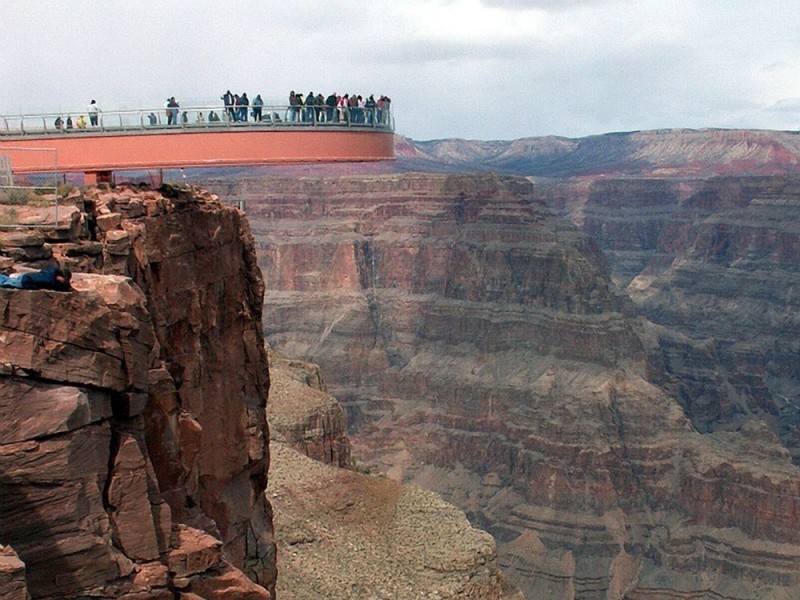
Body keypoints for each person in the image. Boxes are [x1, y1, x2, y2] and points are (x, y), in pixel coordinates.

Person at [0, 264, 72, 291]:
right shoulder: (50, 279)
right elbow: (53, 285)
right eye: (65, 279)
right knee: (5, 282)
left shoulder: (52, 271)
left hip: (25, 277)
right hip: (24, 281)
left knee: (8, 279)